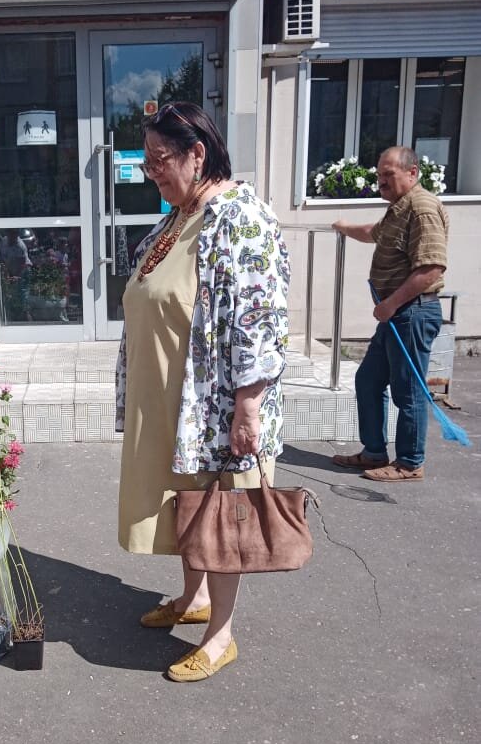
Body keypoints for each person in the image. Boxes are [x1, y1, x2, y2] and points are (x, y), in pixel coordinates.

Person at [115, 102, 290, 682]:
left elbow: (259, 319)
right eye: (146, 164)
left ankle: (221, 638)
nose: (153, 173)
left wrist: (249, 406)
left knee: (220, 510)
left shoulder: (238, 216)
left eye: (160, 160)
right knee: (184, 499)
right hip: (173, 399)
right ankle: (194, 600)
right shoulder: (180, 216)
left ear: (198, 152)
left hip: (216, 404)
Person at [331, 147, 448, 482]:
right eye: (379, 174)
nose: (381, 181)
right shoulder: (399, 209)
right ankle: (374, 452)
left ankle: (410, 462)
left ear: (412, 173)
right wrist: (344, 227)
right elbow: (373, 233)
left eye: (389, 175)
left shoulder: (422, 208)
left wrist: (391, 303)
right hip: (397, 315)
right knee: (368, 380)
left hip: (412, 312)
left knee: (407, 391)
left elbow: (432, 268)